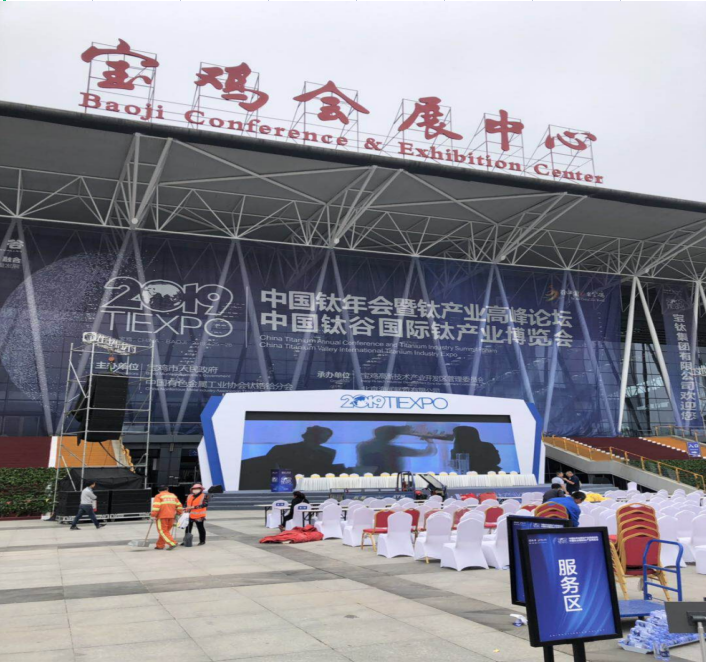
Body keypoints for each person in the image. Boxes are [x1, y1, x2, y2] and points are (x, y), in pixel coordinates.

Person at [356, 425, 437, 473]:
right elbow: (429, 452)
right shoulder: (392, 450)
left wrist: (399, 430)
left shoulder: (362, 446)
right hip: (392, 482)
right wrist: (430, 441)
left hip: (369, 480)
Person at [151, 485, 183, 550]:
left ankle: (172, 543)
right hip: (171, 516)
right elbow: (179, 505)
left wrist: (153, 515)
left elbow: (156, 507)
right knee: (165, 532)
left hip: (162, 517)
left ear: (158, 490)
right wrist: (179, 512)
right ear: (167, 489)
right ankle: (160, 545)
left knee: (163, 532)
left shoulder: (158, 496)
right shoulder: (173, 496)